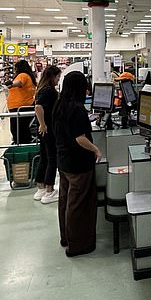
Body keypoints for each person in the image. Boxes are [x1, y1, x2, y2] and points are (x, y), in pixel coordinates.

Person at [53, 71, 101, 257]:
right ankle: (79, 245)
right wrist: (96, 150)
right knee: (79, 204)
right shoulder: (78, 108)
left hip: (64, 161)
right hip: (78, 163)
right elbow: (80, 138)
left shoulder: (60, 103)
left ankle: (66, 237)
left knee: (66, 200)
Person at [33, 65, 61, 204]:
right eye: (57, 77)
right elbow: (38, 107)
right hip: (48, 129)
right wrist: (43, 124)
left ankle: (41, 187)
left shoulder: (40, 89)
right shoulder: (49, 91)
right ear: (52, 77)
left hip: (43, 130)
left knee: (44, 157)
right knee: (52, 159)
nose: (58, 80)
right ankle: (50, 191)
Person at [6, 59, 36, 144]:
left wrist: (11, 84)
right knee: (23, 128)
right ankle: (24, 144)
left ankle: (21, 145)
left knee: (18, 130)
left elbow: (19, 83)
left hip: (20, 107)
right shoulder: (29, 76)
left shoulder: (23, 75)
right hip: (24, 105)